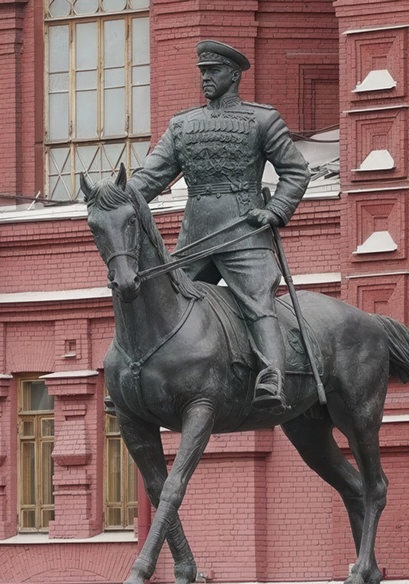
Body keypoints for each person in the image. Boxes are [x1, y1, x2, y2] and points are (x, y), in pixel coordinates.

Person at [127, 40, 311, 409]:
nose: (206, 78)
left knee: (258, 303)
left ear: (234, 75)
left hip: (245, 232)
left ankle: (272, 376)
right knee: (160, 300)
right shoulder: (183, 125)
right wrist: (116, 198)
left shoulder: (262, 119)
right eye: (202, 72)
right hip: (197, 235)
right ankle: (137, 376)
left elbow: (296, 171)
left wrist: (275, 209)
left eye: (213, 71)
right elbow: (150, 178)